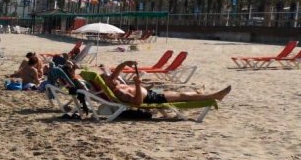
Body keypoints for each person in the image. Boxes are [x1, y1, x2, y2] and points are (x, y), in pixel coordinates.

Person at [96, 61, 231, 106]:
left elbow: (112, 73)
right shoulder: (119, 91)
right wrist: (137, 84)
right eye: (110, 77)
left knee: (178, 93)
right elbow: (137, 103)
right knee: (182, 95)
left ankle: (198, 94)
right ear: (106, 82)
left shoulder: (113, 84)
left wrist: (125, 63)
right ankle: (215, 96)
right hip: (151, 98)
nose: (114, 77)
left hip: (151, 93)